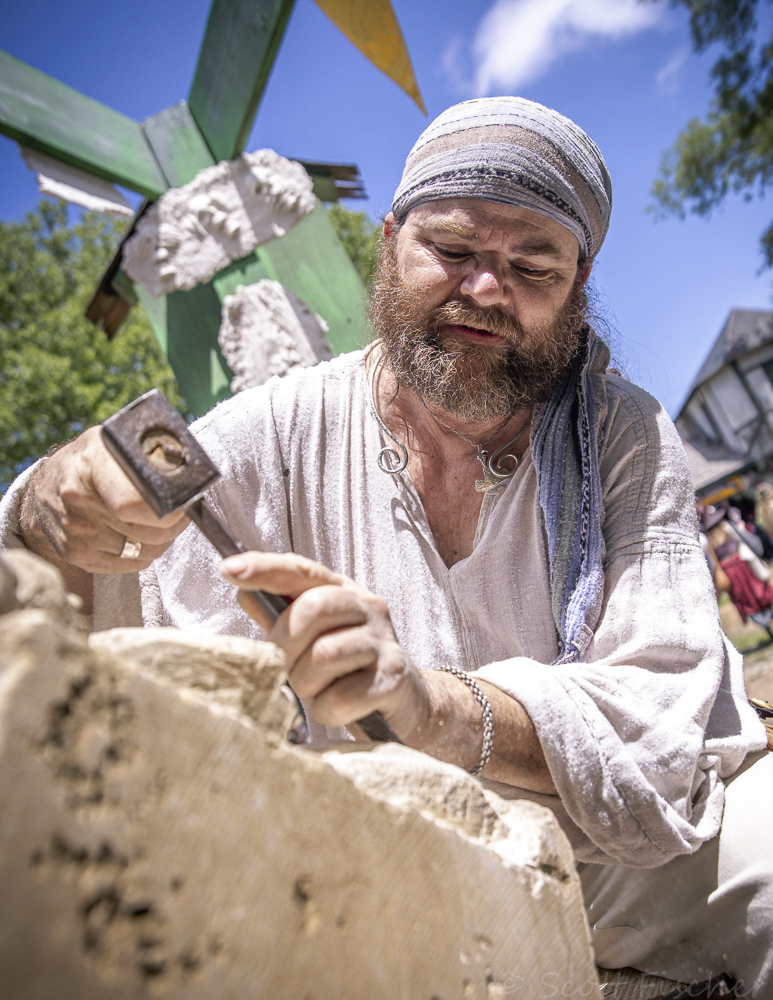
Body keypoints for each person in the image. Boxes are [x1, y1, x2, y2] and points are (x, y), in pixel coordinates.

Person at [2, 97, 771, 995]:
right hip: (383, 844)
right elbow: (81, 609)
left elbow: (656, 715)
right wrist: (56, 504)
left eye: (533, 265)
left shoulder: (622, 435)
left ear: (580, 278)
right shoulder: (279, 427)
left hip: (611, 845)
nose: (486, 291)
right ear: (388, 238)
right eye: (450, 252)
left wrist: (428, 707)